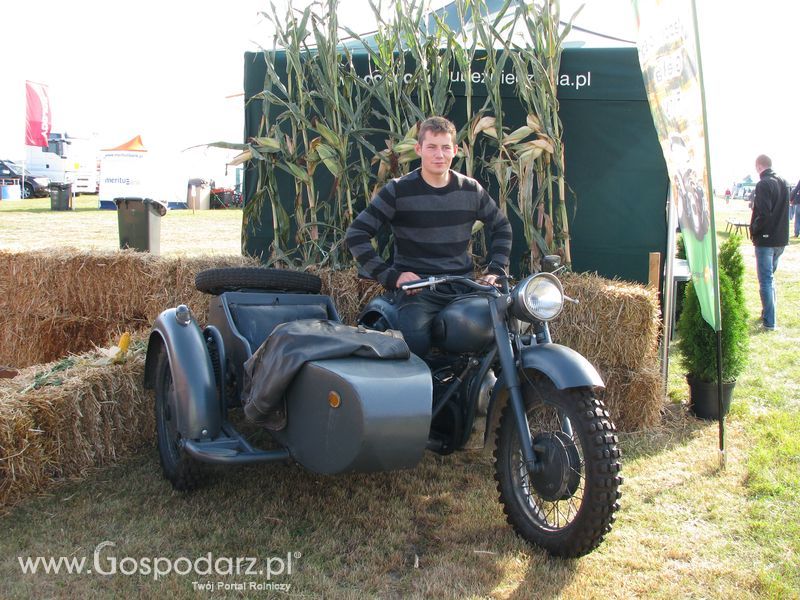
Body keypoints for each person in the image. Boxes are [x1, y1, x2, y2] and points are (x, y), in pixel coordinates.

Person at [345, 116, 512, 356]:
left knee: (505, 330)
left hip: (463, 287)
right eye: (432, 147)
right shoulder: (398, 190)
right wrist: (391, 276)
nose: (439, 154)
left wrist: (496, 270)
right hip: (419, 291)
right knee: (415, 348)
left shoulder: (470, 189)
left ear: (455, 151)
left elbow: (502, 226)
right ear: (418, 149)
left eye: (445, 147)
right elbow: (356, 234)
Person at [749, 154, 789, 331]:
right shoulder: (783, 181)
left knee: (766, 280)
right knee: (770, 280)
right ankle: (767, 314)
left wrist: (755, 230)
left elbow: (763, 213)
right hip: (780, 239)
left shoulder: (764, 184)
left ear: (759, 166)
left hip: (766, 239)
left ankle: (769, 321)